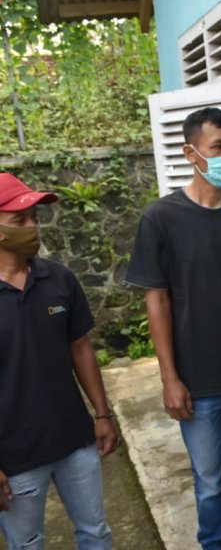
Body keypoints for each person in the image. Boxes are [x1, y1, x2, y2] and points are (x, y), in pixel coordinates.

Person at [126, 108, 221, 550]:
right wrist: (170, 378)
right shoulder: (162, 218)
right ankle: (214, 545)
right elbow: (158, 300)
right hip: (198, 380)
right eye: (219, 148)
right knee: (209, 480)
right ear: (192, 154)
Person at [0, 173, 120, 550]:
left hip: (74, 439)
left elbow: (80, 347)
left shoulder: (59, 279)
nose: (33, 226)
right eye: (20, 221)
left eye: (34, 217)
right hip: (15, 455)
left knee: (96, 532)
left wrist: (102, 414)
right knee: (28, 543)